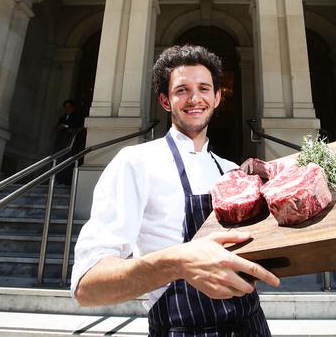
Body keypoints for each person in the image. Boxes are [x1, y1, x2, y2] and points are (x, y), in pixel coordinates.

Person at [71, 45, 280, 336]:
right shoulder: (136, 163)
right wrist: (178, 262)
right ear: (165, 101)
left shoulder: (231, 170)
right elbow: (88, 286)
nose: (194, 98)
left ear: (218, 98)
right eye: (182, 90)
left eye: (204, 88)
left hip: (253, 326)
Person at [54, 99, 84, 185]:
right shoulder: (62, 117)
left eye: (69, 107)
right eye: (66, 107)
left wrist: (71, 129)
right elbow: (57, 128)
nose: (67, 109)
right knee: (60, 161)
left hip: (72, 144)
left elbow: (81, 127)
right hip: (61, 144)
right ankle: (59, 180)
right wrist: (60, 127)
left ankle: (67, 181)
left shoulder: (78, 117)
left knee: (68, 163)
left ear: (73, 108)